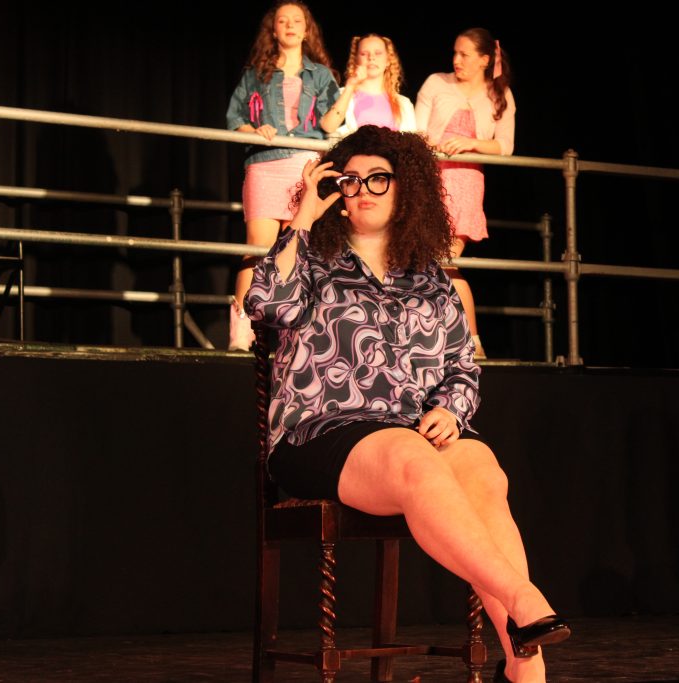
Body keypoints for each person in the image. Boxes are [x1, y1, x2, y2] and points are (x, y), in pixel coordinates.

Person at [245, 126, 568, 683]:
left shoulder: (432, 280)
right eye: (350, 180)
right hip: (319, 435)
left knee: (482, 469)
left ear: (406, 188)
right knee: (412, 457)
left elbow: (462, 367)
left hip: (413, 431)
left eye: (379, 178)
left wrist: (450, 410)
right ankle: (523, 597)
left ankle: (524, 668)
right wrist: (301, 218)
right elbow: (265, 303)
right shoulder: (312, 259)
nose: (362, 189)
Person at [225, 1, 339, 351]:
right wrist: (254, 129)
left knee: (297, 249)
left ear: (306, 30)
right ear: (273, 30)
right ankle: (242, 332)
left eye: (296, 20)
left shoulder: (321, 75)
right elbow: (234, 118)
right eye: (282, 20)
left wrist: (352, 89)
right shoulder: (255, 73)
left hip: (303, 163)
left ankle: (294, 334)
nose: (289, 25)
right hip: (264, 163)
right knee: (257, 249)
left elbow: (331, 124)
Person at [415, 28, 515, 360]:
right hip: (430, 179)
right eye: (454, 53)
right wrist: (435, 145)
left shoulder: (499, 94)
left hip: (465, 183)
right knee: (429, 263)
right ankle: (452, 341)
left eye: (464, 55)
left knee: (444, 261)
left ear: (485, 60)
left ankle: (470, 340)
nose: (456, 60)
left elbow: (505, 146)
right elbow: (416, 131)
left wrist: (471, 143)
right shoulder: (436, 83)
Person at [320, 34, 417, 135]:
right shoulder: (342, 95)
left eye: (378, 53)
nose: (371, 58)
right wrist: (350, 86)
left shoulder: (404, 104)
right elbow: (328, 127)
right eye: (364, 54)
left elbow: (413, 143)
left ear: (388, 60)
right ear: (356, 60)